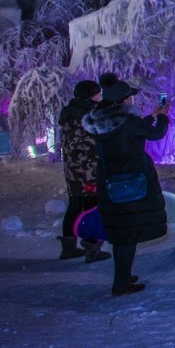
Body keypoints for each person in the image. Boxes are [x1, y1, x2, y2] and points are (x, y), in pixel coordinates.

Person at [83, 80, 169, 296]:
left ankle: (124, 275)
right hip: (132, 183)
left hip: (110, 183)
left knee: (122, 231)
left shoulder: (102, 120)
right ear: (123, 100)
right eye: (129, 96)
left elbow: (128, 131)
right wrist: (163, 117)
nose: (132, 99)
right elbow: (155, 134)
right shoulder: (128, 122)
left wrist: (151, 116)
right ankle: (120, 283)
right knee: (128, 233)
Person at [56, 80, 111, 263]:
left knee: (74, 206)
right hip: (89, 171)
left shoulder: (68, 113)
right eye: (97, 94)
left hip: (72, 170)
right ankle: (92, 249)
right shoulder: (90, 115)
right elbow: (93, 145)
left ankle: (69, 247)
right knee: (92, 209)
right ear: (90, 95)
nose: (100, 97)